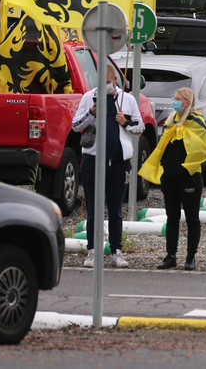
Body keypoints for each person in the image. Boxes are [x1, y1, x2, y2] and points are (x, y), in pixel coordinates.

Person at [72, 64, 143, 269]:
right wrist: (92, 112)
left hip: (118, 162)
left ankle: (116, 251)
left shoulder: (126, 99)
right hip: (93, 161)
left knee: (115, 209)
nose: (107, 85)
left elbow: (140, 126)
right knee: (94, 208)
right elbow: (76, 125)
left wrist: (125, 122)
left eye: (109, 81)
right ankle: (93, 251)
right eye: (103, 82)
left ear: (115, 81)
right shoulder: (88, 98)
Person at [139, 87, 206, 271]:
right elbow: (163, 148)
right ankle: (171, 255)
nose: (174, 101)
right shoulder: (171, 122)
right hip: (170, 179)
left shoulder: (196, 122)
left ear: (187, 102)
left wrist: (183, 168)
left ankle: (190, 257)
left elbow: (201, 149)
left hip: (190, 178)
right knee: (172, 218)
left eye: (178, 99)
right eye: (174, 98)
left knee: (192, 218)